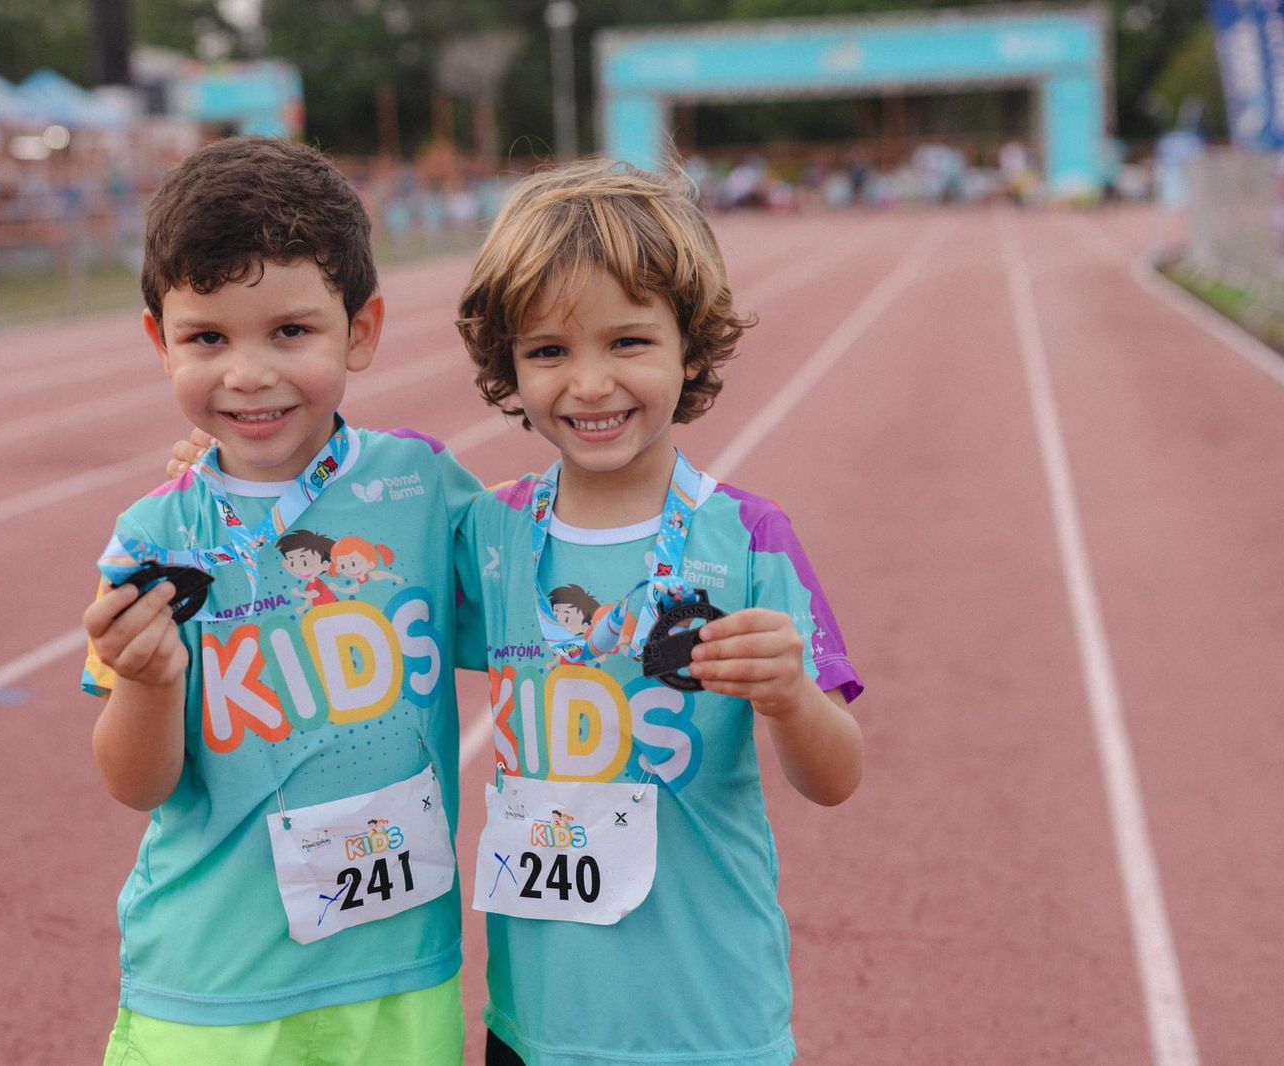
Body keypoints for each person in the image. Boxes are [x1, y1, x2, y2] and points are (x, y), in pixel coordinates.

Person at [79, 137, 482, 1066]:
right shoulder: (152, 538)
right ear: (159, 340)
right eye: (208, 338)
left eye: (290, 332)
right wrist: (145, 682)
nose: (249, 373)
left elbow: (534, 629)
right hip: (214, 989)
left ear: (363, 329)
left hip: (398, 980)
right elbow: (135, 784)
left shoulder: (423, 486)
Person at [453, 159, 865, 1066]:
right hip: (535, 1029)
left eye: (628, 343)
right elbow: (355, 554)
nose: (590, 384)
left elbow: (835, 777)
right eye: (549, 351)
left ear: (691, 346)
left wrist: (793, 696)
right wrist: (229, 467)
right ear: (509, 368)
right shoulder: (487, 534)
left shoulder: (750, 537)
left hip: (708, 1025)